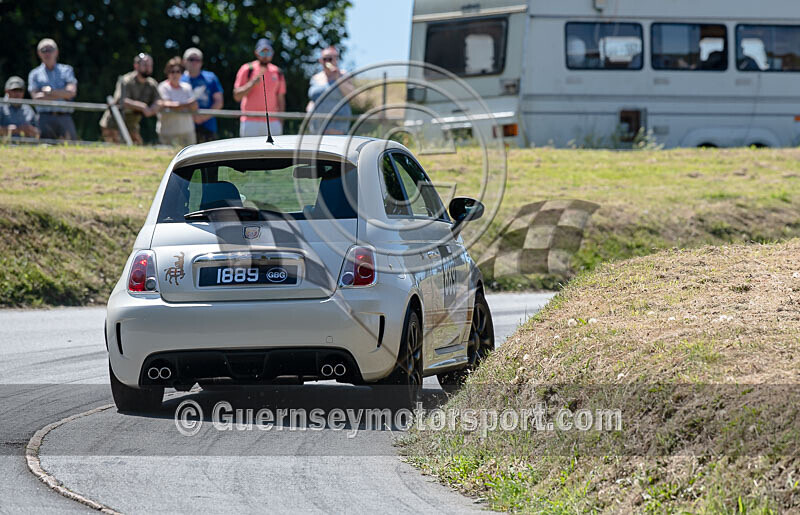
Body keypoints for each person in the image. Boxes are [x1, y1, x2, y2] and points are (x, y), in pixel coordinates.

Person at [99, 53, 161, 144]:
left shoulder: (152, 84)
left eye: (150, 65)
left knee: (137, 148)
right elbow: (121, 100)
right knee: (115, 149)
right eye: (145, 65)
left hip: (132, 125)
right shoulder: (126, 80)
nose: (148, 68)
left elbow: (159, 100)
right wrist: (142, 106)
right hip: (114, 124)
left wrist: (152, 109)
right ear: (136, 65)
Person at [233, 38, 286, 137]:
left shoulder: (278, 72)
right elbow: (237, 96)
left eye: (268, 52)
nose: (265, 56)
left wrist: (281, 121)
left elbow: (281, 99)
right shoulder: (247, 69)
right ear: (256, 53)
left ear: (272, 54)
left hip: (272, 122)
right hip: (250, 121)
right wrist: (252, 83)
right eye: (262, 52)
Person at [27, 38, 78, 140]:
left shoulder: (67, 70)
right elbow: (36, 98)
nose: (47, 53)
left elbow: (71, 93)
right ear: (39, 53)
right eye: (44, 50)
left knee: (71, 147)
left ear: (56, 52)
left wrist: (49, 92)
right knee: (44, 148)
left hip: (65, 117)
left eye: (50, 50)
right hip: (44, 118)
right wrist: (62, 95)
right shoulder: (34, 74)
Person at [306, 46, 354, 135]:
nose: (327, 61)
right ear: (321, 60)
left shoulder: (343, 75)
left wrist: (338, 78)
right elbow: (313, 98)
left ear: (336, 60)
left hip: (337, 121)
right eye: (325, 59)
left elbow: (351, 95)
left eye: (330, 59)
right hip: (317, 122)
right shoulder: (315, 78)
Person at [181, 47, 223, 142]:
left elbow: (219, 102)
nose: (194, 62)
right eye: (191, 59)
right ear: (184, 61)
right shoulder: (179, 79)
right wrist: (193, 117)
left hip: (208, 127)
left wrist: (203, 117)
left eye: (198, 60)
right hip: (185, 127)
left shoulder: (211, 77)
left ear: (201, 62)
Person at [156, 57, 197, 146]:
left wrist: (188, 104)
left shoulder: (187, 87)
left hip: (187, 132)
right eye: (172, 71)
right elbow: (168, 104)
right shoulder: (162, 87)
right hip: (168, 133)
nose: (175, 74)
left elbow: (194, 107)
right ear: (168, 73)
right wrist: (187, 104)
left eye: (178, 71)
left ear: (181, 73)